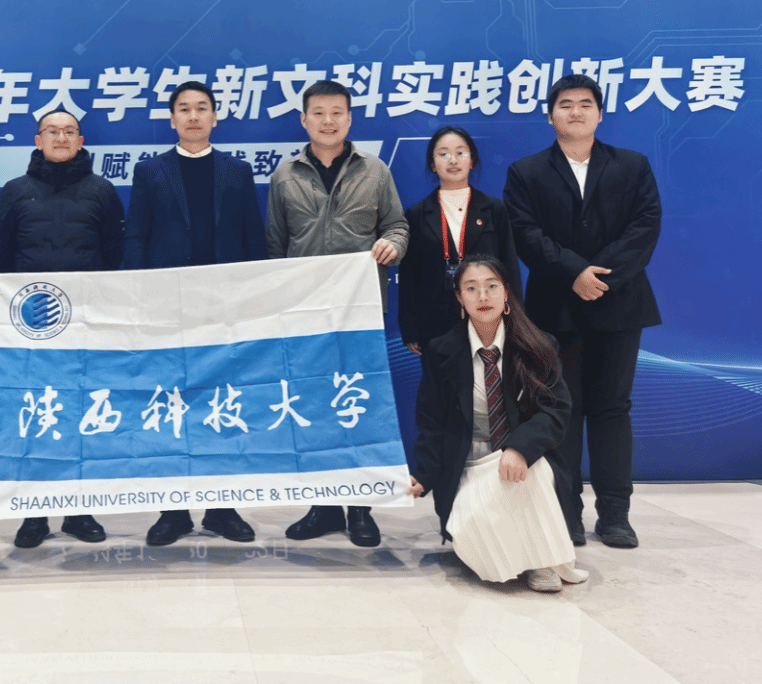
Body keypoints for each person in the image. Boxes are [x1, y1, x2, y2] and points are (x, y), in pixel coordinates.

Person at [503, 74, 662, 549]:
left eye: (585, 104)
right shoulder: (526, 171)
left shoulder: (632, 165)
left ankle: (614, 514)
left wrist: (601, 278)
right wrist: (574, 272)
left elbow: (645, 227)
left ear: (600, 113)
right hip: (556, 309)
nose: (576, 112)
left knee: (612, 408)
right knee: (561, 410)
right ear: (550, 115)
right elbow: (525, 233)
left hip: (620, 304)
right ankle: (565, 514)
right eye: (566, 104)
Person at [265, 79, 408, 548]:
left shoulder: (375, 170)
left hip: (360, 311)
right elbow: (275, 246)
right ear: (304, 119)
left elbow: (397, 225)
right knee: (314, 408)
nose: (328, 121)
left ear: (349, 118)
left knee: (357, 406)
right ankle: (323, 506)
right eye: (319, 113)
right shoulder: (285, 175)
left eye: (337, 113)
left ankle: (361, 508)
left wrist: (393, 244)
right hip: (305, 315)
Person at [123, 80, 267, 546]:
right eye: (183, 109)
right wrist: (138, 298)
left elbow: (253, 238)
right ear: (172, 119)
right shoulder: (150, 171)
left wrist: (254, 300)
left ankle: (223, 508)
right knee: (172, 405)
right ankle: (174, 511)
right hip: (168, 309)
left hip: (224, 309)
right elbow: (136, 236)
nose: (192, 116)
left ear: (215, 117)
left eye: (201, 108)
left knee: (222, 404)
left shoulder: (236, 171)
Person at [408, 257, 587, 592]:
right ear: (459, 298)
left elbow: (554, 410)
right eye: (471, 288)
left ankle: (542, 562)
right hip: (469, 464)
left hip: (520, 458)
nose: (483, 296)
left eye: (491, 286)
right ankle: (525, 551)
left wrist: (519, 448)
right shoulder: (441, 351)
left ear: (507, 293)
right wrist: (424, 474)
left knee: (530, 472)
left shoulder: (538, 346)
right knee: (481, 550)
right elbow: (432, 422)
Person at [0, 107, 125, 549]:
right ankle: (34, 514)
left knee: (81, 414)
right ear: (38, 140)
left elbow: (114, 254)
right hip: (31, 328)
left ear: (81, 141)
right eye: (53, 131)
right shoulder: (15, 191)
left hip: (87, 325)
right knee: (36, 415)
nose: (61, 138)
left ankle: (78, 511)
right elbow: (1, 256)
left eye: (70, 131)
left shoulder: (102, 191)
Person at [399, 126, 521, 355]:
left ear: (472, 160)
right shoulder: (417, 214)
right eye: (443, 154)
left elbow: (510, 267)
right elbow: (409, 277)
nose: (453, 160)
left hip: (489, 317)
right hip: (435, 321)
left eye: (460, 152)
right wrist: (410, 329)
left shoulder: (493, 209)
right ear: (433, 164)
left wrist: (516, 319)